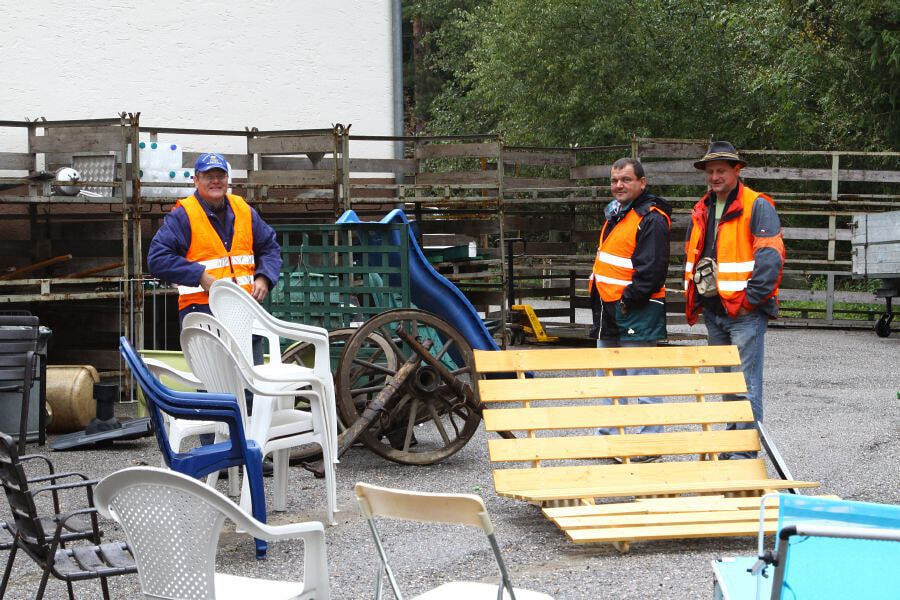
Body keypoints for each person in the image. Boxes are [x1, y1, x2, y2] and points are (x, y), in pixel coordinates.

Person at [684, 141, 785, 459]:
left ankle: (745, 453)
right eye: (710, 171)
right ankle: (733, 446)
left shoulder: (757, 205)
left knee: (746, 385)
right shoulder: (702, 208)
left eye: (721, 171)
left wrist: (749, 301)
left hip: (744, 312)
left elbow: (770, 258)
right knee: (727, 383)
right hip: (714, 310)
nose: (715, 177)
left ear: (737, 170)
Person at [589, 157, 672, 459]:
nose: (619, 185)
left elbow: (652, 271)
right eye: (614, 180)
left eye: (625, 179)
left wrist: (627, 301)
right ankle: (610, 440)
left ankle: (650, 444)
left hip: (634, 309)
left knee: (642, 378)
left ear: (642, 182)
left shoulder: (651, 218)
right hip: (608, 308)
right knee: (610, 378)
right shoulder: (617, 214)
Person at [147, 152, 282, 327]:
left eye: (221, 176)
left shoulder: (243, 210)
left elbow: (270, 247)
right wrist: (199, 275)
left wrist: (264, 277)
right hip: (203, 317)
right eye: (209, 176)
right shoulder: (183, 216)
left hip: (247, 313)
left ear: (227, 179)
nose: (216, 181)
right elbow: (157, 259)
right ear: (196, 180)